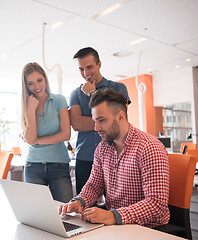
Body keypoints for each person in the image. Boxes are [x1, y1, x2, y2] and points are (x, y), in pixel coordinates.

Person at [60, 89, 170, 228]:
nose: (96, 127)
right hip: (116, 224)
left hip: (147, 228)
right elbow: (94, 186)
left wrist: (113, 216)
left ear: (120, 116)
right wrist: (79, 202)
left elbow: (157, 205)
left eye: (101, 120)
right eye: (95, 121)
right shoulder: (102, 148)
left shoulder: (149, 147)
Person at [69, 47, 131, 195]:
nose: (86, 73)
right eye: (81, 69)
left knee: (116, 204)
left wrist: (92, 94)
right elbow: (77, 124)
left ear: (99, 64)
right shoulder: (75, 94)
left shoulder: (118, 88)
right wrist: (106, 120)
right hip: (85, 158)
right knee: (84, 206)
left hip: (114, 156)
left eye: (89, 67)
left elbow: (120, 120)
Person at [20, 62, 73, 203]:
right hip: (33, 166)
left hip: (59, 165)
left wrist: (38, 140)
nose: (37, 87)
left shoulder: (59, 100)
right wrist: (31, 110)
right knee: (37, 214)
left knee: (66, 214)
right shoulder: (25, 105)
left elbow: (66, 134)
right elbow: (30, 139)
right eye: (30, 83)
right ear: (26, 86)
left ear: (45, 79)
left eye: (39, 80)